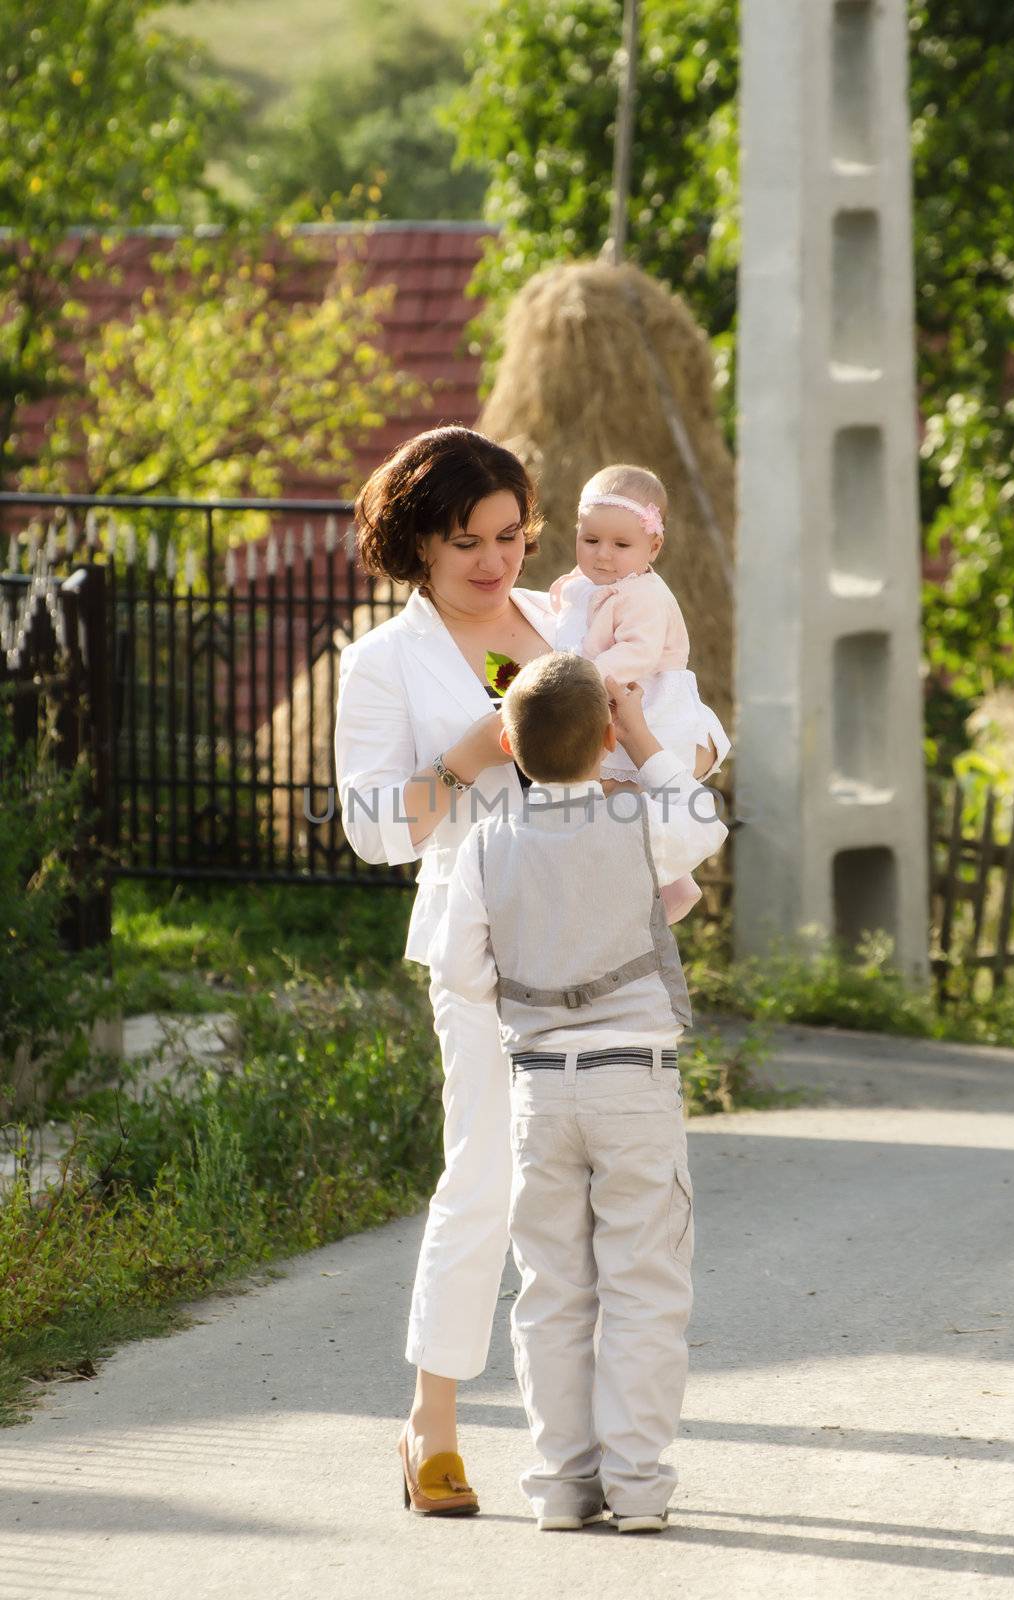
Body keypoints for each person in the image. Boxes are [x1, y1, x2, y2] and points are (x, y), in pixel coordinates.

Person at [333, 425, 726, 1516]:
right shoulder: (381, 663)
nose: (495, 560)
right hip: (480, 948)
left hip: (602, 939)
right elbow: (373, 828)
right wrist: (474, 748)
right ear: (416, 542)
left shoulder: (569, 614)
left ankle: (596, 1457)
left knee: (607, 1214)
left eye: (511, 535)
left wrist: (681, 756)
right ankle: (434, 1424)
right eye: (467, 540)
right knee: (488, 1176)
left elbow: (682, 711)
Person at [427, 652, 728, 1531]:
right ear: (604, 738)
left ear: (510, 744)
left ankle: (561, 1485)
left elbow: (458, 968)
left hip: (538, 1093)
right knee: (642, 1283)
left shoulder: (487, 842)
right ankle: (637, 1485)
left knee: (553, 1288)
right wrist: (642, 731)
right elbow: (702, 820)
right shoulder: (639, 822)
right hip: (632, 1084)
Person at [549, 462, 730, 923]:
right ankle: (673, 884)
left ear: (654, 545)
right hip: (613, 698)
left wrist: (579, 676)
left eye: (621, 544)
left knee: (639, 793)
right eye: (591, 541)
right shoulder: (585, 586)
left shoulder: (644, 594)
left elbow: (639, 652)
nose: (603, 555)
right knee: (619, 801)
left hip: (649, 703)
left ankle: (672, 884)